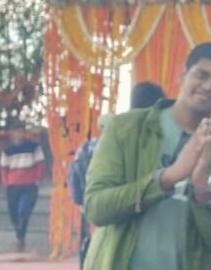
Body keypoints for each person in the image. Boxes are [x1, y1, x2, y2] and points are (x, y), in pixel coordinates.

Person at [83, 42, 211, 270]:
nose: (209, 86)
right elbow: (96, 208)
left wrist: (202, 190)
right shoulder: (126, 128)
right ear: (182, 74)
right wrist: (168, 177)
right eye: (202, 75)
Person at [70, 81, 165, 267]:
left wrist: (84, 204)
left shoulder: (91, 146)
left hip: (103, 232)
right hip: (144, 238)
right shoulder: (159, 146)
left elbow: (75, 178)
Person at [0, 123, 46, 252]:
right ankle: (20, 237)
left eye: (21, 132)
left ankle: (20, 239)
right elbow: (3, 168)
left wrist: (37, 180)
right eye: (17, 132)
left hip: (29, 185)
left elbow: (41, 164)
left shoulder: (34, 147)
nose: (19, 135)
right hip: (13, 186)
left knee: (23, 211)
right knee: (13, 213)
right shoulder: (7, 150)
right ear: (13, 134)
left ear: (25, 133)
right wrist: (6, 182)